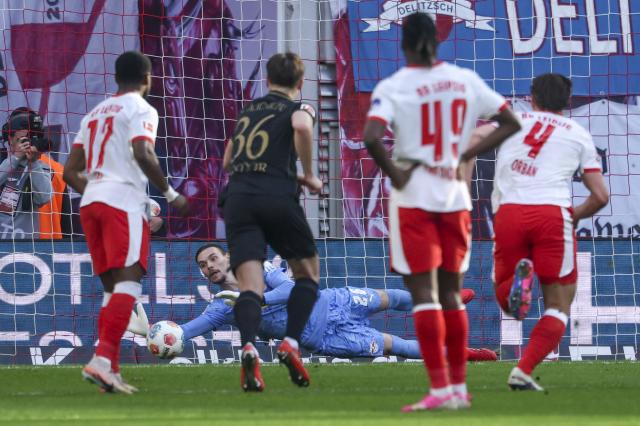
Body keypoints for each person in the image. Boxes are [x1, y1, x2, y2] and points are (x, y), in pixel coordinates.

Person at [363, 13, 521, 411]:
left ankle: (439, 388)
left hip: (414, 199)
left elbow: (370, 136)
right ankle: (459, 389)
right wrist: (463, 153)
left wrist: (397, 174)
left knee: (424, 296)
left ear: (403, 43)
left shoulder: (394, 85)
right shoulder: (464, 80)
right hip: (454, 198)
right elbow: (509, 121)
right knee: (451, 294)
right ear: (438, 40)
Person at [465, 74, 609, 391]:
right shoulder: (578, 134)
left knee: (506, 298)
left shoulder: (512, 120)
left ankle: (520, 280)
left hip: (510, 213)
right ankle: (523, 370)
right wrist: (572, 217)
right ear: (567, 102)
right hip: (552, 214)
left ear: (532, 97)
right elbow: (601, 196)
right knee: (559, 304)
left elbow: (473, 139)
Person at [63, 50, 190, 394]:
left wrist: (100, 191)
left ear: (117, 78)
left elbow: (70, 171)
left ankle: (110, 368)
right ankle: (102, 360)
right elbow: (142, 151)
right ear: (147, 78)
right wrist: (170, 193)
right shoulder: (142, 108)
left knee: (112, 290)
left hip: (91, 204)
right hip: (121, 205)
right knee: (130, 284)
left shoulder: (93, 114)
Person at [127, 243, 496, 361]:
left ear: (226, 257)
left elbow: (290, 291)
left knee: (392, 296)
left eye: (212, 259)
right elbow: (188, 332)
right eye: (204, 267)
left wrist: (251, 297)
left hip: (332, 302)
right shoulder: (222, 307)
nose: (209, 267)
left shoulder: (258, 268)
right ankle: (465, 354)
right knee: (397, 346)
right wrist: (157, 334)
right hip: (324, 338)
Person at [220, 52, 322, 392]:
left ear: (266, 80)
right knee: (307, 275)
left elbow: (227, 160)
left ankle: (249, 345)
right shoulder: (299, 107)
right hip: (276, 195)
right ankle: (290, 343)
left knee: (251, 288)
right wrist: (308, 174)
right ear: (300, 83)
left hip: (238, 198)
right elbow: (303, 127)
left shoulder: (248, 111)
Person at [0, 108, 53, 239]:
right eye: (22, 140)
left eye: (29, 140)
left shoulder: (42, 168)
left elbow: (44, 198)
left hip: (26, 248)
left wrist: (33, 163)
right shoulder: (3, 162)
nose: (26, 144)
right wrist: (15, 158)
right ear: (10, 139)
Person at [39, 153, 73, 239]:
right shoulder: (58, 169)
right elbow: (66, 225)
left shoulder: (58, 170)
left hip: (9, 244)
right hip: (51, 245)